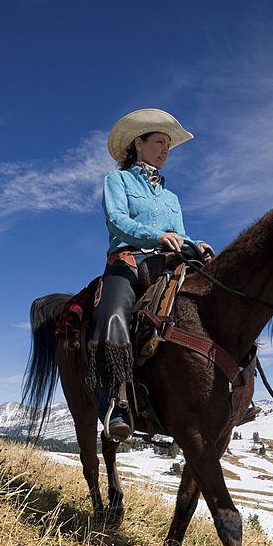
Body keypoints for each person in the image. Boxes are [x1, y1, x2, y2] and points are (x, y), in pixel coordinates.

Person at [89, 108, 212, 442]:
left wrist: (195, 244)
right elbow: (117, 221)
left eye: (168, 146)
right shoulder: (117, 181)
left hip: (168, 264)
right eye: (159, 142)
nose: (165, 151)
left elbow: (180, 234)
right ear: (137, 144)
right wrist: (155, 236)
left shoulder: (171, 197)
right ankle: (116, 404)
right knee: (113, 315)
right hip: (128, 262)